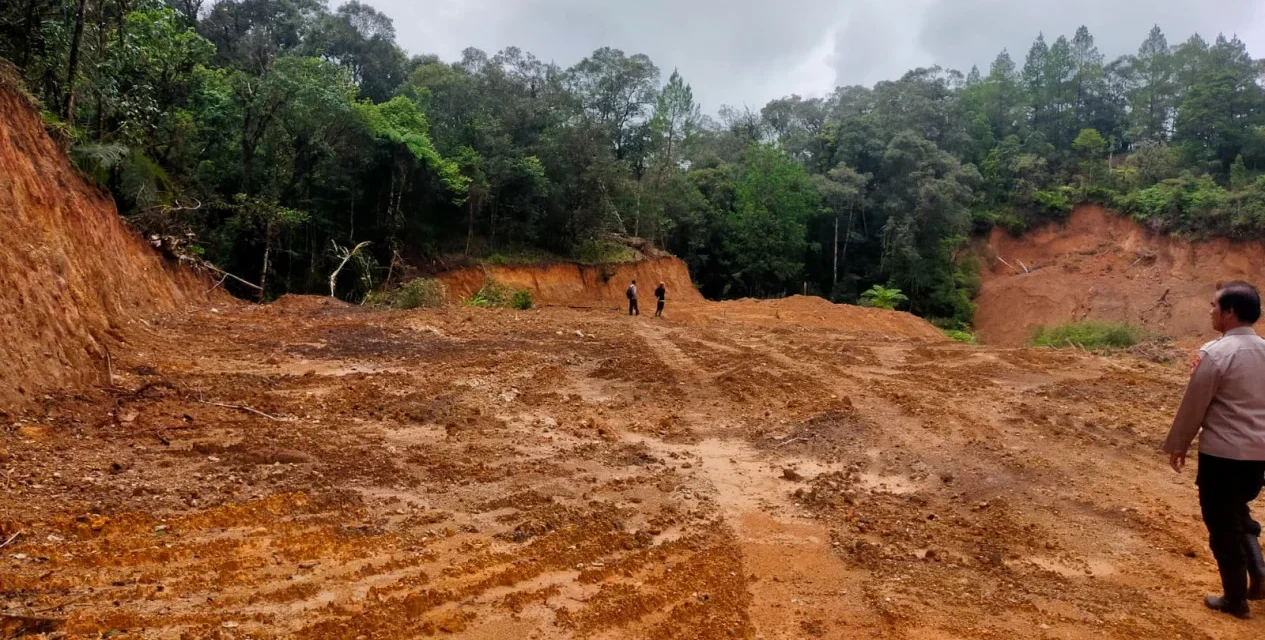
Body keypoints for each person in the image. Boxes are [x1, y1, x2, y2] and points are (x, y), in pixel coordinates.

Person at [1163, 281, 1265, 619]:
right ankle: (1259, 574)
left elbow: (1194, 405)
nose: (1211, 311)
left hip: (1222, 457)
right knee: (1237, 509)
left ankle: (1235, 600)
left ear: (1230, 312)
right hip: (1257, 459)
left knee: (1221, 526)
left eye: (1214, 305)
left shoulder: (1215, 354)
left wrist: (1178, 445)